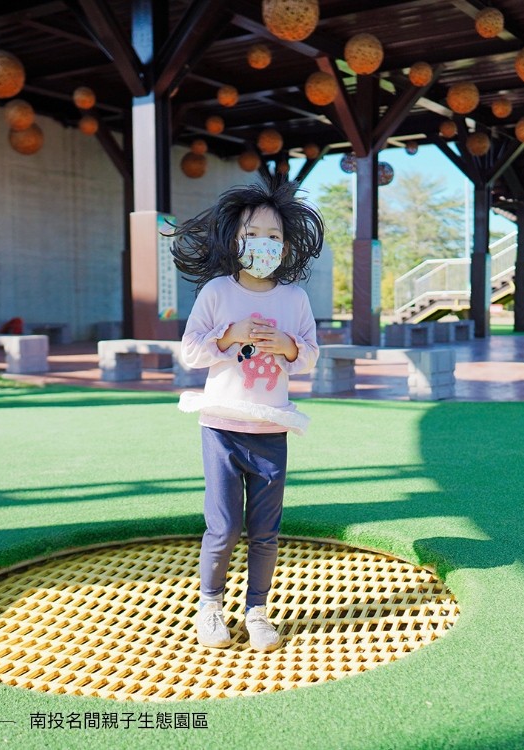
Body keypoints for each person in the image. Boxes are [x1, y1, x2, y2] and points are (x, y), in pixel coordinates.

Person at [169, 179, 324, 652]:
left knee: (265, 531)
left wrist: (291, 346)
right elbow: (190, 353)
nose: (265, 244)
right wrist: (229, 334)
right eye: (254, 234)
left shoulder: (294, 298)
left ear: (287, 246)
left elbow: (312, 355)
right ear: (235, 240)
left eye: (275, 237)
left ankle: (256, 609)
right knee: (223, 526)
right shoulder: (217, 292)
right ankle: (210, 606)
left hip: (271, 426)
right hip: (221, 426)